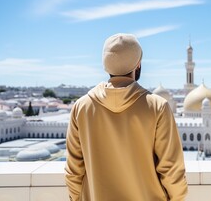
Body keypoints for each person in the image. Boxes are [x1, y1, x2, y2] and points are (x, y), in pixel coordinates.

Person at [65, 33, 188, 201]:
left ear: (105, 65)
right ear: (138, 64)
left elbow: (74, 172)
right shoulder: (157, 107)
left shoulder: (81, 107)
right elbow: (172, 172)